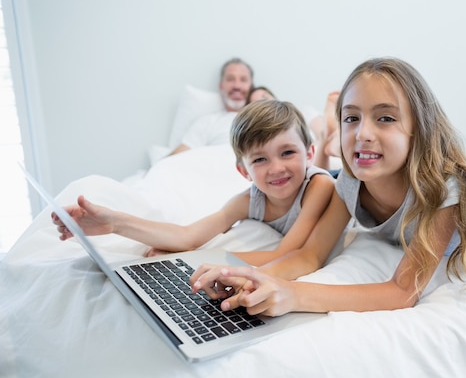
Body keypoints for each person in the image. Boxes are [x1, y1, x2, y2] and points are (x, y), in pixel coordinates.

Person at [189, 56, 466, 317]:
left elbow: (402, 291)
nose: (362, 133)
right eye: (351, 117)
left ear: (418, 129)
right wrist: (245, 277)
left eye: (385, 117)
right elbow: (308, 254)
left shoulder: (442, 191)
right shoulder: (349, 182)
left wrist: (293, 295)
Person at [53, 100, 335, 266]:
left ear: (307, 153)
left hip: (323, 178)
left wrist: (194, 260)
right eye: (260, 160)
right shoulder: (251, 200)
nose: (276, 168)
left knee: (329, 171)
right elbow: (189, 235)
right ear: (244, 171)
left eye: (288, 152)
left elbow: (286, 253)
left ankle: (328, 132)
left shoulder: (319, 187)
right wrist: (115, 223)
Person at [170, 57, 254, 156]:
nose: (237, 86)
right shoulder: (207, 122)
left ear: (251, 86)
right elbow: (173, 159)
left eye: (243, 80)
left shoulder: (263, 121)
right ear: (221, 86)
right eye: (230, 79)